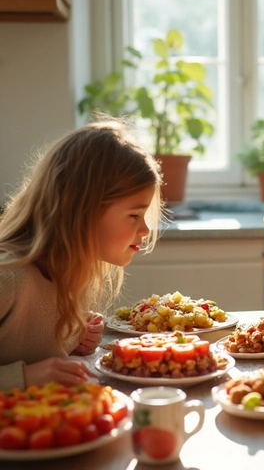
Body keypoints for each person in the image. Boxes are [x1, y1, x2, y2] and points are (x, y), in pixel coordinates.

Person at [0, 118, 164, 390]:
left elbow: (29, 346)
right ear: (80, 211)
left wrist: (72, 339)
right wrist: (26, 377)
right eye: (134, 215)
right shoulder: (8, 278)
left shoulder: (73, 273)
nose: (145, 229)